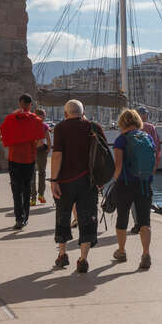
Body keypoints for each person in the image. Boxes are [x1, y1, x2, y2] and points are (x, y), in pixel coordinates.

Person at [51, 99, 106, 273]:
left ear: (66, 114)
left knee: (63, 216)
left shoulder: (60, 128)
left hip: (65, 183)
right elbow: (104, 156)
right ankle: (83, 259)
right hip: (88, 183)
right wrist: (101, 181)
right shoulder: (94, 127)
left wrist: (53, 181)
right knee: (87, 218)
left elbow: (57, 156)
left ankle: (62, 255)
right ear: (83, 113)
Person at [110, 109, 156, 270]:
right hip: (144, 184)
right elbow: (154, 162)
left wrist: (113, 182)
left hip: (125, 184)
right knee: (145, 220)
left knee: (122, 217)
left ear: (122, 122)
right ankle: (145, 254)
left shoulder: (121, 140)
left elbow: (118, 166)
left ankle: (122, 251)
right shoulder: (148, 137)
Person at [0, 94, 45, 229]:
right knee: (27, 189)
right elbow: (39, 143)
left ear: (20, 104)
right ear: (31, 105)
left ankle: (19, 218)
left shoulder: (11, 118)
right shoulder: (36, 120)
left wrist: (10, 141)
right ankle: (25, 218)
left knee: (16, 190)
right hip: (29, 160)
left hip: (14, 159)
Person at [129, 106, 162, 234]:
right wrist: (155, 167)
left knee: (134, 198)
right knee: (145, 196)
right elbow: (156, 148)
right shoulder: (150, 128)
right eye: (145, 114)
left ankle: (138, 222)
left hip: (132, 171)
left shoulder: (128, 129)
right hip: (147, 170)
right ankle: (144, 223)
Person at [30, 108, 52, 206]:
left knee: (38, 174)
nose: (44, 117)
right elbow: (48, 139)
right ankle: (36, 196)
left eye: (44, 115)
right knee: (36, 174)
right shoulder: (40, 125)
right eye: (43, 115)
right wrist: (48, 149)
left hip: (37, 151)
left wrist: (48, 149)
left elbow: (48, 138)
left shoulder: (42, 126)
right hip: (37, 151)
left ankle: (38, 196)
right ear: (38, 115)